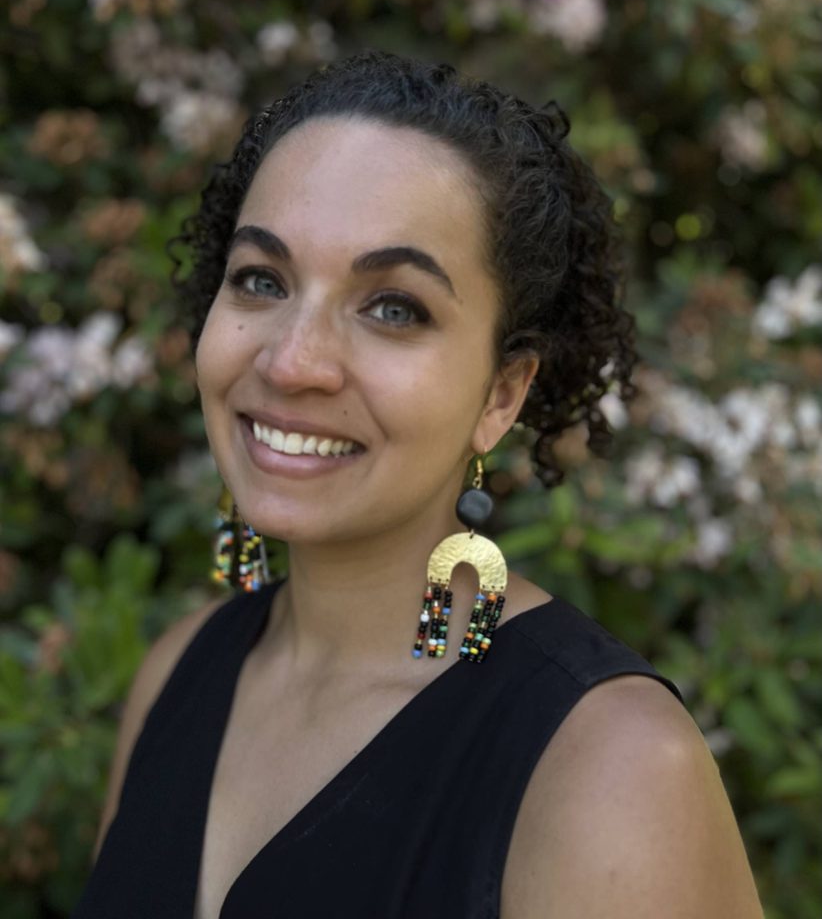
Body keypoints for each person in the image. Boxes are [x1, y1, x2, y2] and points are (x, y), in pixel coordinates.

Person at [73, 51, 763, 918]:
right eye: (262, 280)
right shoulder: (178, 673)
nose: (292, 361)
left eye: (393, 307)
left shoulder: (606, 764)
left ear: (501, 395)